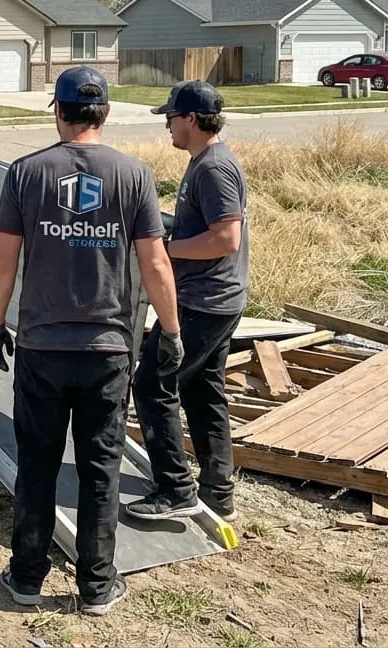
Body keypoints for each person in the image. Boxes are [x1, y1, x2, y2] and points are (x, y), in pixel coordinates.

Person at [0, 65, 182, 615]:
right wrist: (170, 331)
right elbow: (156, 264)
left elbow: (4, 260)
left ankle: (26, 579)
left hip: (42, 349)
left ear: (59, 111)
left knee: (37, 464)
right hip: (108, 352)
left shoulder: (25, 173)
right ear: (106, 113)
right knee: (101, 468)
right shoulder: (134, 175)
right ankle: (97, 586)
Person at [125, 80, 249, 524]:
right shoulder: (208, 161)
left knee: (152, 386)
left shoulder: (213, 169)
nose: (168, 127)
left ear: (192, 120)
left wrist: (159, 249)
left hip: (203, 301)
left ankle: (174, 488)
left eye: (171, 118)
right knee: (202, 391)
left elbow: (225, 239)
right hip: (220, 299)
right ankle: (217, 492)